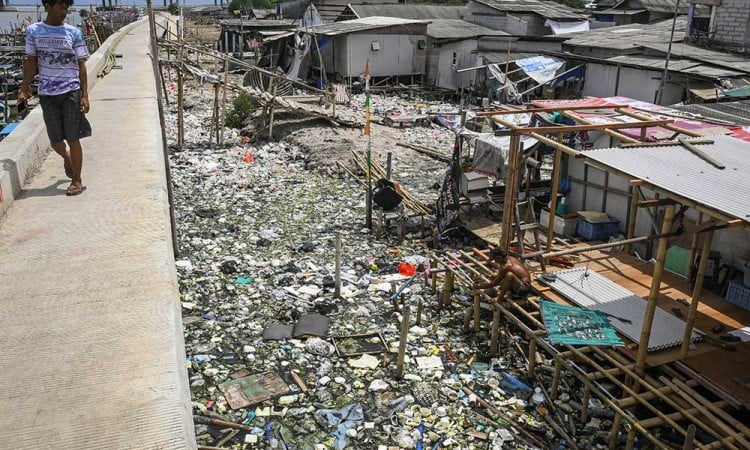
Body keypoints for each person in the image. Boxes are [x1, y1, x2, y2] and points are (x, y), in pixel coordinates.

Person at [19, 0, 90, 196]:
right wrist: (24, 88)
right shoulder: (34, 31)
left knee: (73, 137)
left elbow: (81, 65)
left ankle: (77, 179)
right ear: (47, 6)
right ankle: (66, 158)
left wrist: (84, 95)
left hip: (71, 91)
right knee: (56, 141)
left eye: (67, 7)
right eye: (60, 6)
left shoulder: (74, 33)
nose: (64, 11)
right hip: (47, 93)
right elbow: (31, 62)